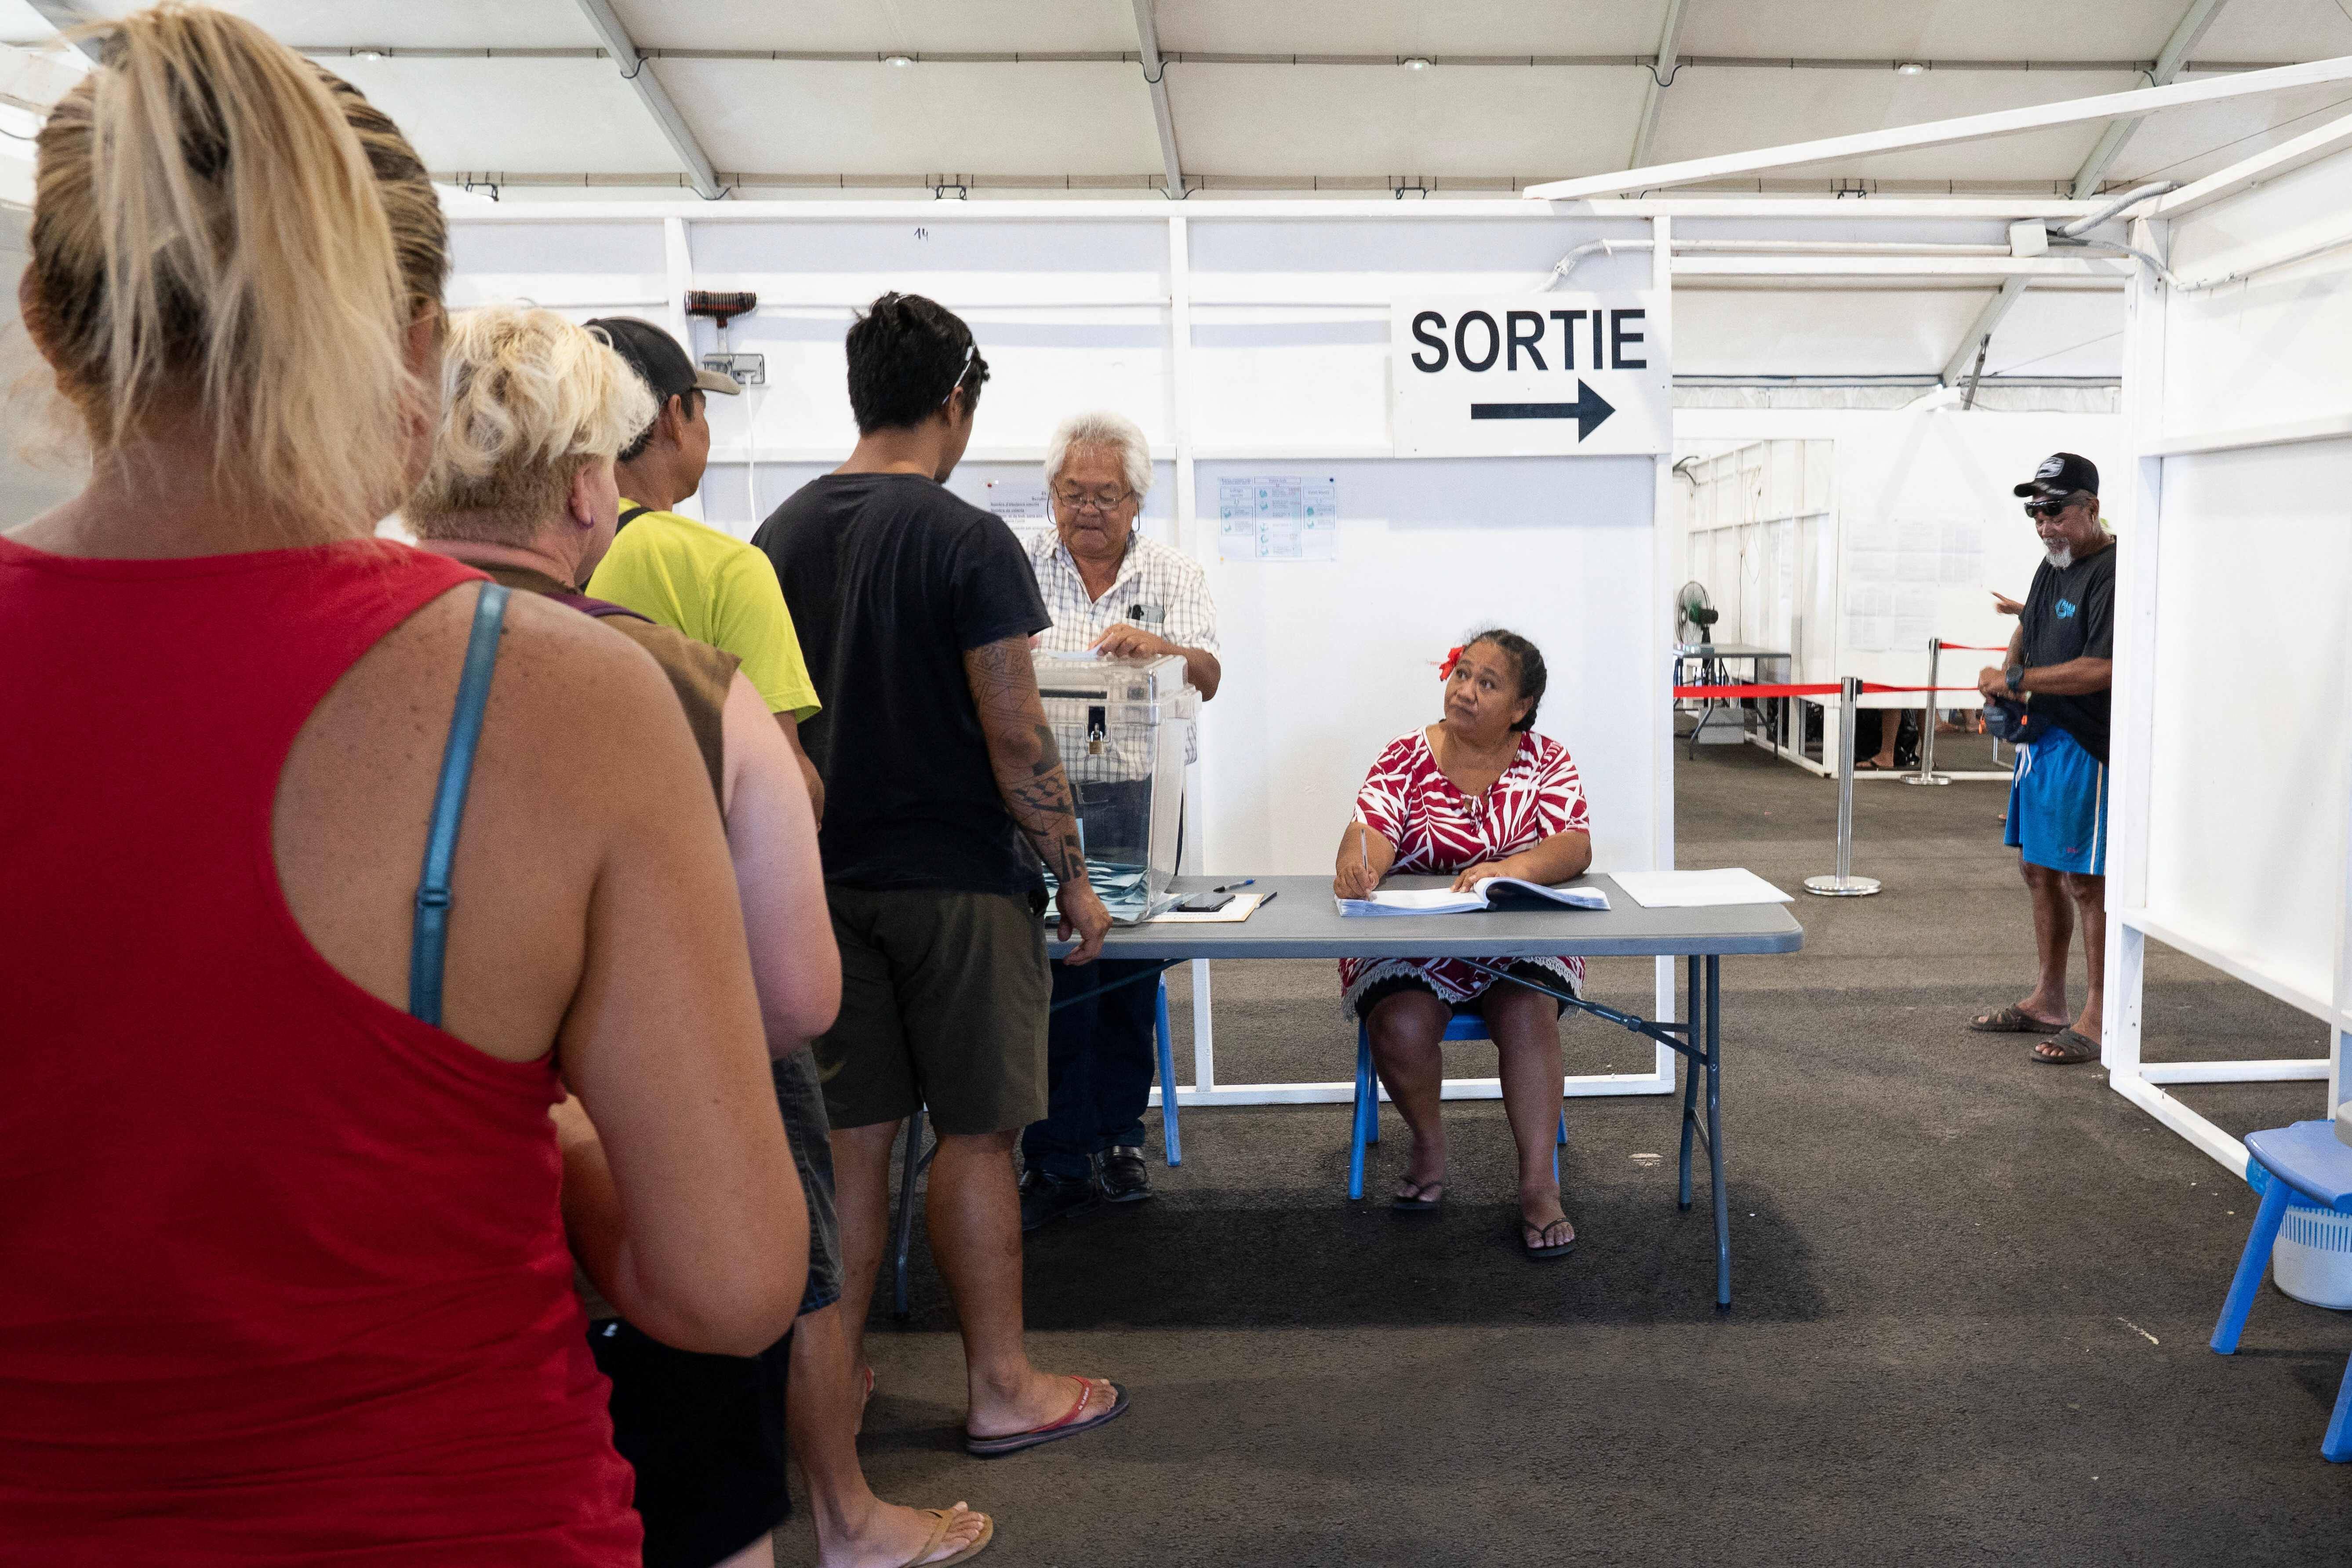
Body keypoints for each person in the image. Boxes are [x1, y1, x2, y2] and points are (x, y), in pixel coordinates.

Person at [0, 11, 803, 1563]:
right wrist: (552, 1121)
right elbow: (729, 1277)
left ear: (46, 319)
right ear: (420, 342)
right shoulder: (559, 695)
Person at [406, 303, 943, 1568]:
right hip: (657, 1178)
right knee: (699, 1491)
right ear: (591, 489)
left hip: (392, 1205)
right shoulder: (696, 688)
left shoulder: (327, 664)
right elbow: (799, 993)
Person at [753, 292, 1129, 1459]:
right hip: (958, 885)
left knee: (851, 1140)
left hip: (821, 881)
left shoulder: (781, 532)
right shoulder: (967, 539)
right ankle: (1001, 1384)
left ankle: (833, 1387)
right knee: (977, 1136)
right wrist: (1070, 872)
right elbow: (1015, 734)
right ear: (955, 401)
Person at [1017, 410, 1221, 1229]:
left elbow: (1209, 674)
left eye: (1106, 494)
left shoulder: (1173, 570)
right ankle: (1055, 1153)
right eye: (1074, 493)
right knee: (1060, 972)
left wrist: (1159, 646)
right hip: (1042, 797)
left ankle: (1116, 1137)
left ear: (1137, 500)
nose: (1089, 509)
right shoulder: (1018, 563)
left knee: (1129, 979)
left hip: (1138, 799)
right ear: (1052, 494)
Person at [1331, 631, 1594, 1259]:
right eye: (1461, 675)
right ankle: (1426, 1142)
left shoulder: (1546, 760)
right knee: (1397, 1022)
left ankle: (1537, 1184)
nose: (1465, 691)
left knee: (1527, 1011)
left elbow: (1574, 845)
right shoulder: (1403, 757)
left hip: (1517, 942)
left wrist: (1511, 869)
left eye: (1487, 683)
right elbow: (1367, 829)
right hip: (1416, 944)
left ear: (1519, 707)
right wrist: (1358, 865)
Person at [583, 316, 827, 817]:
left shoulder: (543, 552)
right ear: (672, 417)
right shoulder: (726, 567)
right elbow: (784, 783)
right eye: (703, 412)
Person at [1968, 452, 2116, 1066]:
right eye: (2034, 511)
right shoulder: (2050, 565)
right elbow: (2026, 627)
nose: (2043, 523)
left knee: (2087, 882)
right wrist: (2004, 679)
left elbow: (2102, 668)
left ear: (2090, 507)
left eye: (2054, 510)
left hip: (2089, 743)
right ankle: (2048, 1000)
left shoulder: (2113, 570)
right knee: (2037, 872)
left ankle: (2100, 1018)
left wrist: (2020, 679)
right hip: (2043, 740)